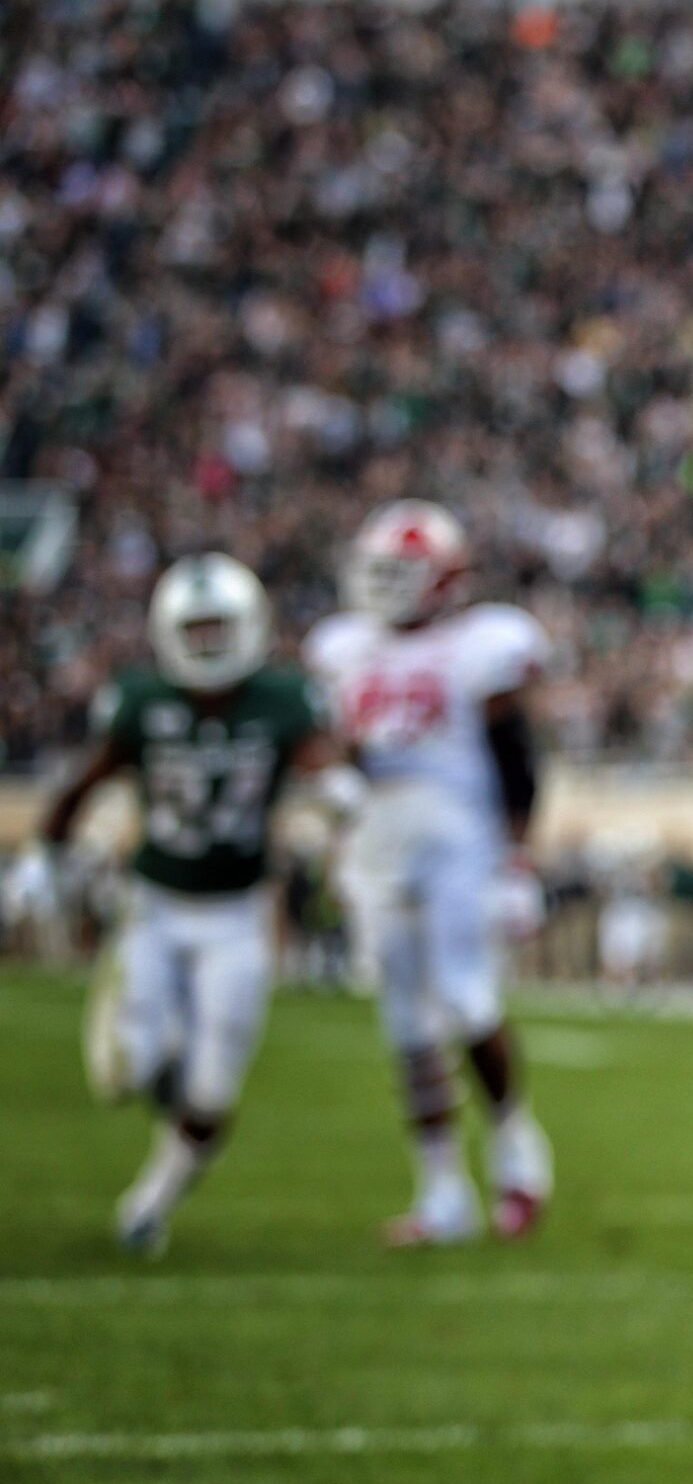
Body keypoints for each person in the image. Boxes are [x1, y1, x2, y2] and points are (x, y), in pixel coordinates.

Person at [37, 554, 344, 1255]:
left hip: (238, 913)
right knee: (136, 1067)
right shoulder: (142, 699)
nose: (208, 644)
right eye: (195, 629)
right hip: (155, 903)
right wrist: (48, 852)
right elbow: (83, 781)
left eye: (220, 628)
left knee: (212, 1085)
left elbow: (320, 761)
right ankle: (142, 1028)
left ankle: (152, 1200)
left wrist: (339, 792)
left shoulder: (283, 699)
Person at [306, 499, 555, 1246]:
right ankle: (440, 1189)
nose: (385, 585)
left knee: (467, 997)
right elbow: (336, 750)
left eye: (400, 571)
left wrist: (516, 857)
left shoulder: (483, 642)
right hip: (377, 841)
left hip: (460, 837)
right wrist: (334, 794)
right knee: (406, 1024)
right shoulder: (345, 647)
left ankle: (516, 1146)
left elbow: (516, 757)